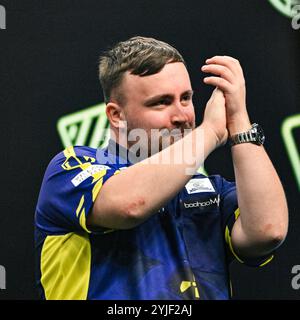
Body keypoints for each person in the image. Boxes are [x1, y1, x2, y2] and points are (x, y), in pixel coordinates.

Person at [35, 36, 288, 300]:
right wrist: (210, 131)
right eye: (162, 102)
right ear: (116, 115)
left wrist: (239, 121)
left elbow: (268, 231)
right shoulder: (71, 168)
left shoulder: (211, 191)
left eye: (186, 98)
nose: (181, 115)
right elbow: (131, 205)